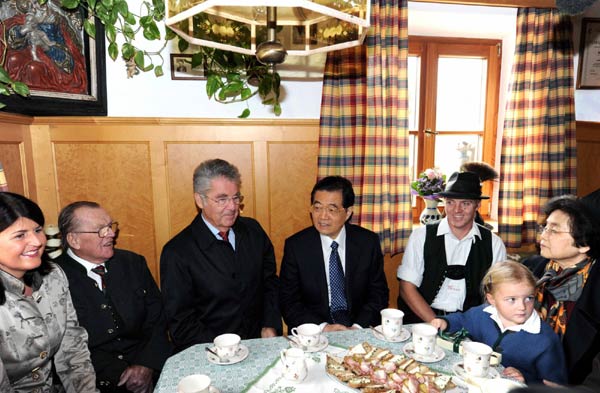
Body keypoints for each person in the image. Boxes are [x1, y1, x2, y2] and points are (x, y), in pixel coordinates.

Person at [160, 158, 281, 353]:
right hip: (210, 353)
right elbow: (181, 323)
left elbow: (270, 283)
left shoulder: (253, 231)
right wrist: (225, 349)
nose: (232, 207)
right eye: (222, 199)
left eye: (236, 198)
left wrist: (269, 324)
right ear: (200, 200)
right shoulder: (177, 252)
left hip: (259, 344)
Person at [56, 201, 172, 393]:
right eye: (101, 230)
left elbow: (158, 318)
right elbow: (61, 347)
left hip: (151, 369)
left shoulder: (133, 263)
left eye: (110, 226)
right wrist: (120, 374)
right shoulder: (52, 279)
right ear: (74, 240)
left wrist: (146, 365)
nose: (111, 234)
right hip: (95, 382)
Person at [0, 192, 98, 392]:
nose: (37, 241)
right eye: (20, 235)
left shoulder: (52, 276)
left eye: (37, 230)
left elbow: (73, 349)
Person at [279, 176, 389, 331]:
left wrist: (358, 327)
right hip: (315, 330)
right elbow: (288, 301)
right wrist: (323, 327)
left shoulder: (367, 242)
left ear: (348, 212)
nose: (323, 216)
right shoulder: (296, 246)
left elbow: (379, 294)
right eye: (317, 208)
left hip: (359, 327)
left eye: (331, 209)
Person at [430, 261, 567, 385]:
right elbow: (462, 320)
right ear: (492, 299)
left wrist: (526, 379)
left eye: (529, 298)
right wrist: (445, 322)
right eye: (512, 299)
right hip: (475, 382)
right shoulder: (482, 314)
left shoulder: (545, 340)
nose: (522, 307)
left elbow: (555, 385)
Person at [397, 171, 507, 323]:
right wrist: (436, 323)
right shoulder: (421, 237)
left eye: (465, 203)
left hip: (470, 322)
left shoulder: (494, 244)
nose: (457, 210)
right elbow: (406, 287)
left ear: (477, 205)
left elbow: (498, 293)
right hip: (423, 319)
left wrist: (474, 325)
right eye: (451, 202)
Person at [524, 192, 600, 385]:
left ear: (583, 244)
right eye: (544, 227)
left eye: (554, 230)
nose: (543, 235)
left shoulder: (595, 288)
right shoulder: (533, 269)